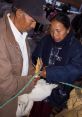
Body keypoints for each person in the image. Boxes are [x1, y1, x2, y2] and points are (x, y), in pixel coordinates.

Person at [0, 0, 48, 117]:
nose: (33, 26)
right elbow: (6, 85)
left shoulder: (21, 32)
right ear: (20, 13)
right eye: (32, 21)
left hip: (14, 99)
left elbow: (22, 62)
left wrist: (36, 70)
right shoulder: (2, 38)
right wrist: (31, 80)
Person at [31, 13, 82, 117]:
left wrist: (50, 73)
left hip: (58, 90)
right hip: (40, 85)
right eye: (52, 30)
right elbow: (35, 57)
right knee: (34, 108)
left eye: (58, 31)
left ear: (68, 30)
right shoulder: (46, 40)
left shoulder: (75, 46)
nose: (54, 35)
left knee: (45, 111)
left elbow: (76, 70)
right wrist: (37, 69)